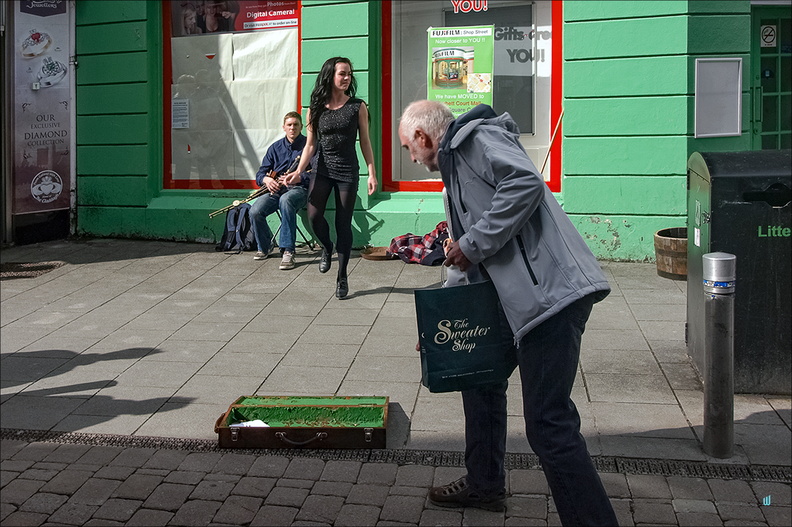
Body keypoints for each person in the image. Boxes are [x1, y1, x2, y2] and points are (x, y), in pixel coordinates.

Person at [399, 100, 618, 526]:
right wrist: (442, 326)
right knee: (477, 375)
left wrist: (474, 242)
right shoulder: (455, 176)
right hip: (517, 302)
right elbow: (466, 262)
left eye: (409, 148)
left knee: (548, 426)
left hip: (552, 300)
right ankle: (485, 485)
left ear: (424, 138)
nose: (411, 158)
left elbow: (523, 184)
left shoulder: (479, 139)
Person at [286, 57, 377, 298]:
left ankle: (342, 276)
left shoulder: (358, 106)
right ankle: (327, 247)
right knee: (314, 215)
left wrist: (372, 173)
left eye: (349, 74)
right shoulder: (315, 108)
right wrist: (297, 172)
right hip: (322, 169)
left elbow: (365, 141)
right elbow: (310, 146)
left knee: (343, 224)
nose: (347, 78)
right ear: (330, 76)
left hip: (347, 171)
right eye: (342, 74)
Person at [249, 111, 309, 270]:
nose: (292, 128)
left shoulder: (309, 146)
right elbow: (260, 174)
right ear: (284, 127)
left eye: (296, 125)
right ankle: (265, 245)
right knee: (255, 210)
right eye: (289, 125)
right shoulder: (275, 148)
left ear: (301, 126)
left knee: (286, 200)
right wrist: (267, 180)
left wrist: (299, 178)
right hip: (277, 190)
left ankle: (288, 250)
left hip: (299, 190)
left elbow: (318, 174)